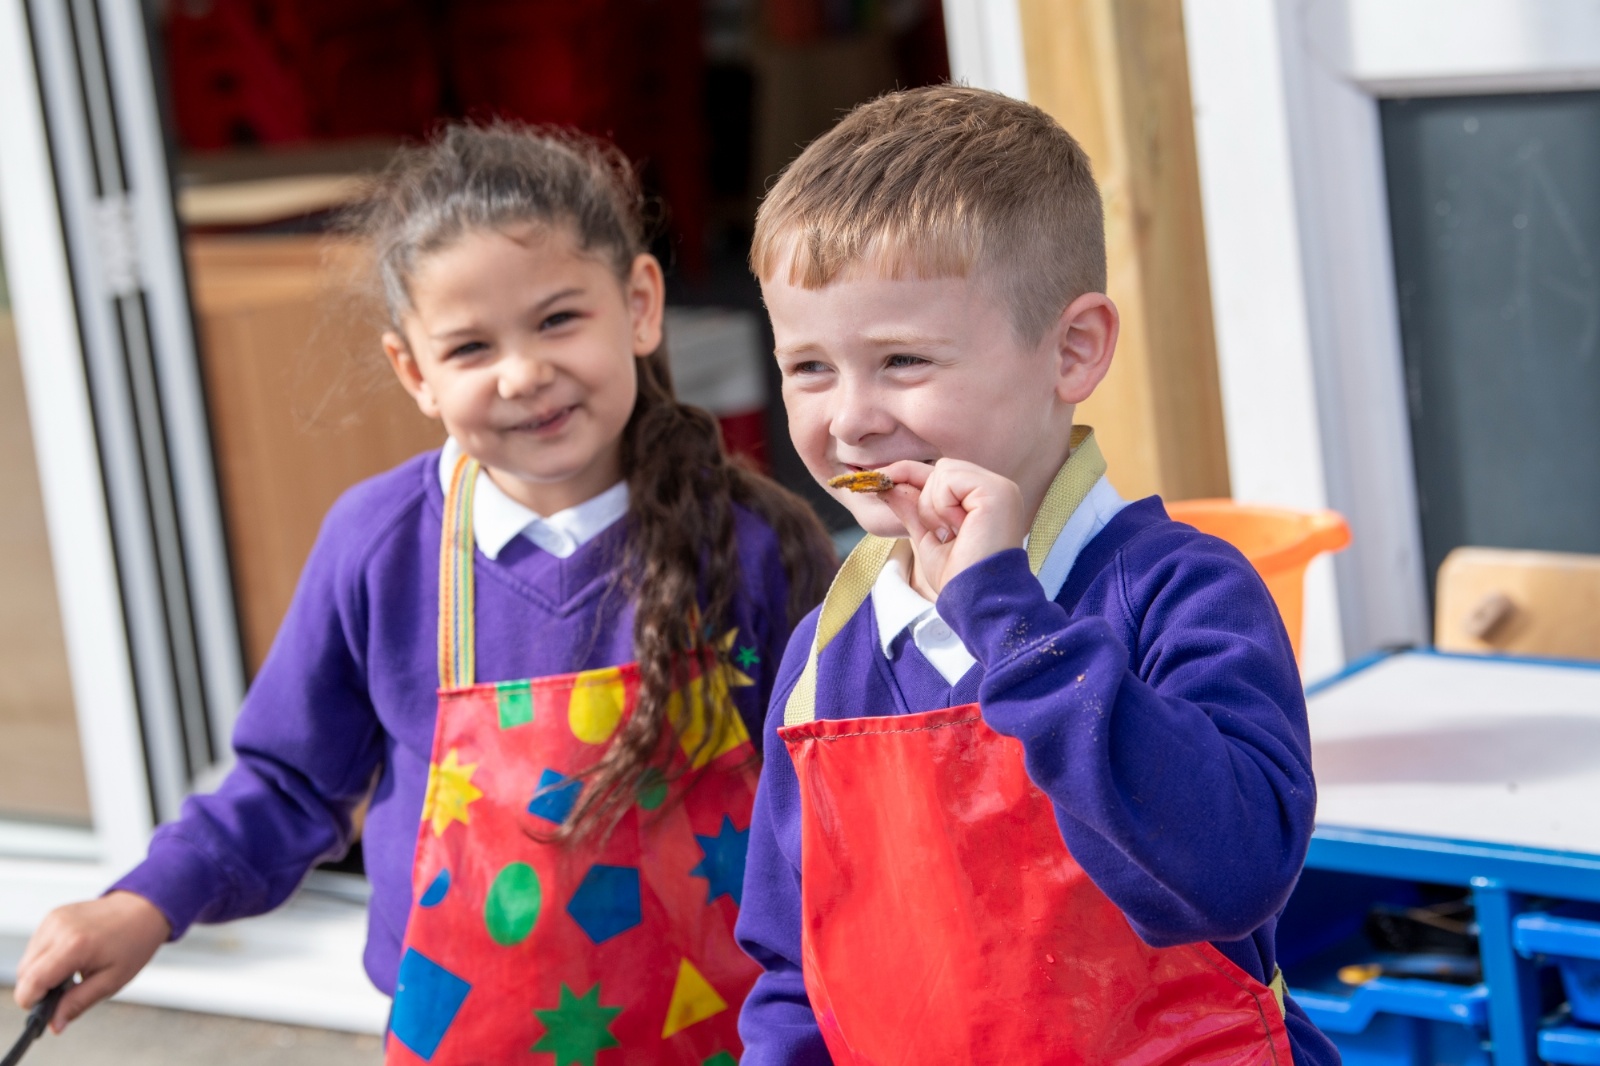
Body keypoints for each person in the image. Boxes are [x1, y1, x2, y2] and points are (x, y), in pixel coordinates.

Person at [14, 122, 835, 1064]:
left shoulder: (755, 545)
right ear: (415, 372)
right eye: (471, 346)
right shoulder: (380, 546)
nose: (524, 373)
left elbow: (828, 813)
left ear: (640, 305)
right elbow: (287, 784)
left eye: (559, 319)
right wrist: (145, 903)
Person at [735, 85, 1339, 1064]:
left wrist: (1007, 617)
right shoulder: (822, 657)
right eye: (808, 367)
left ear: (1072, 350)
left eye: (901, 359)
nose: (848, 419)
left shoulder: (1181, 592)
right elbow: (796, 971)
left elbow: (1231, 876)